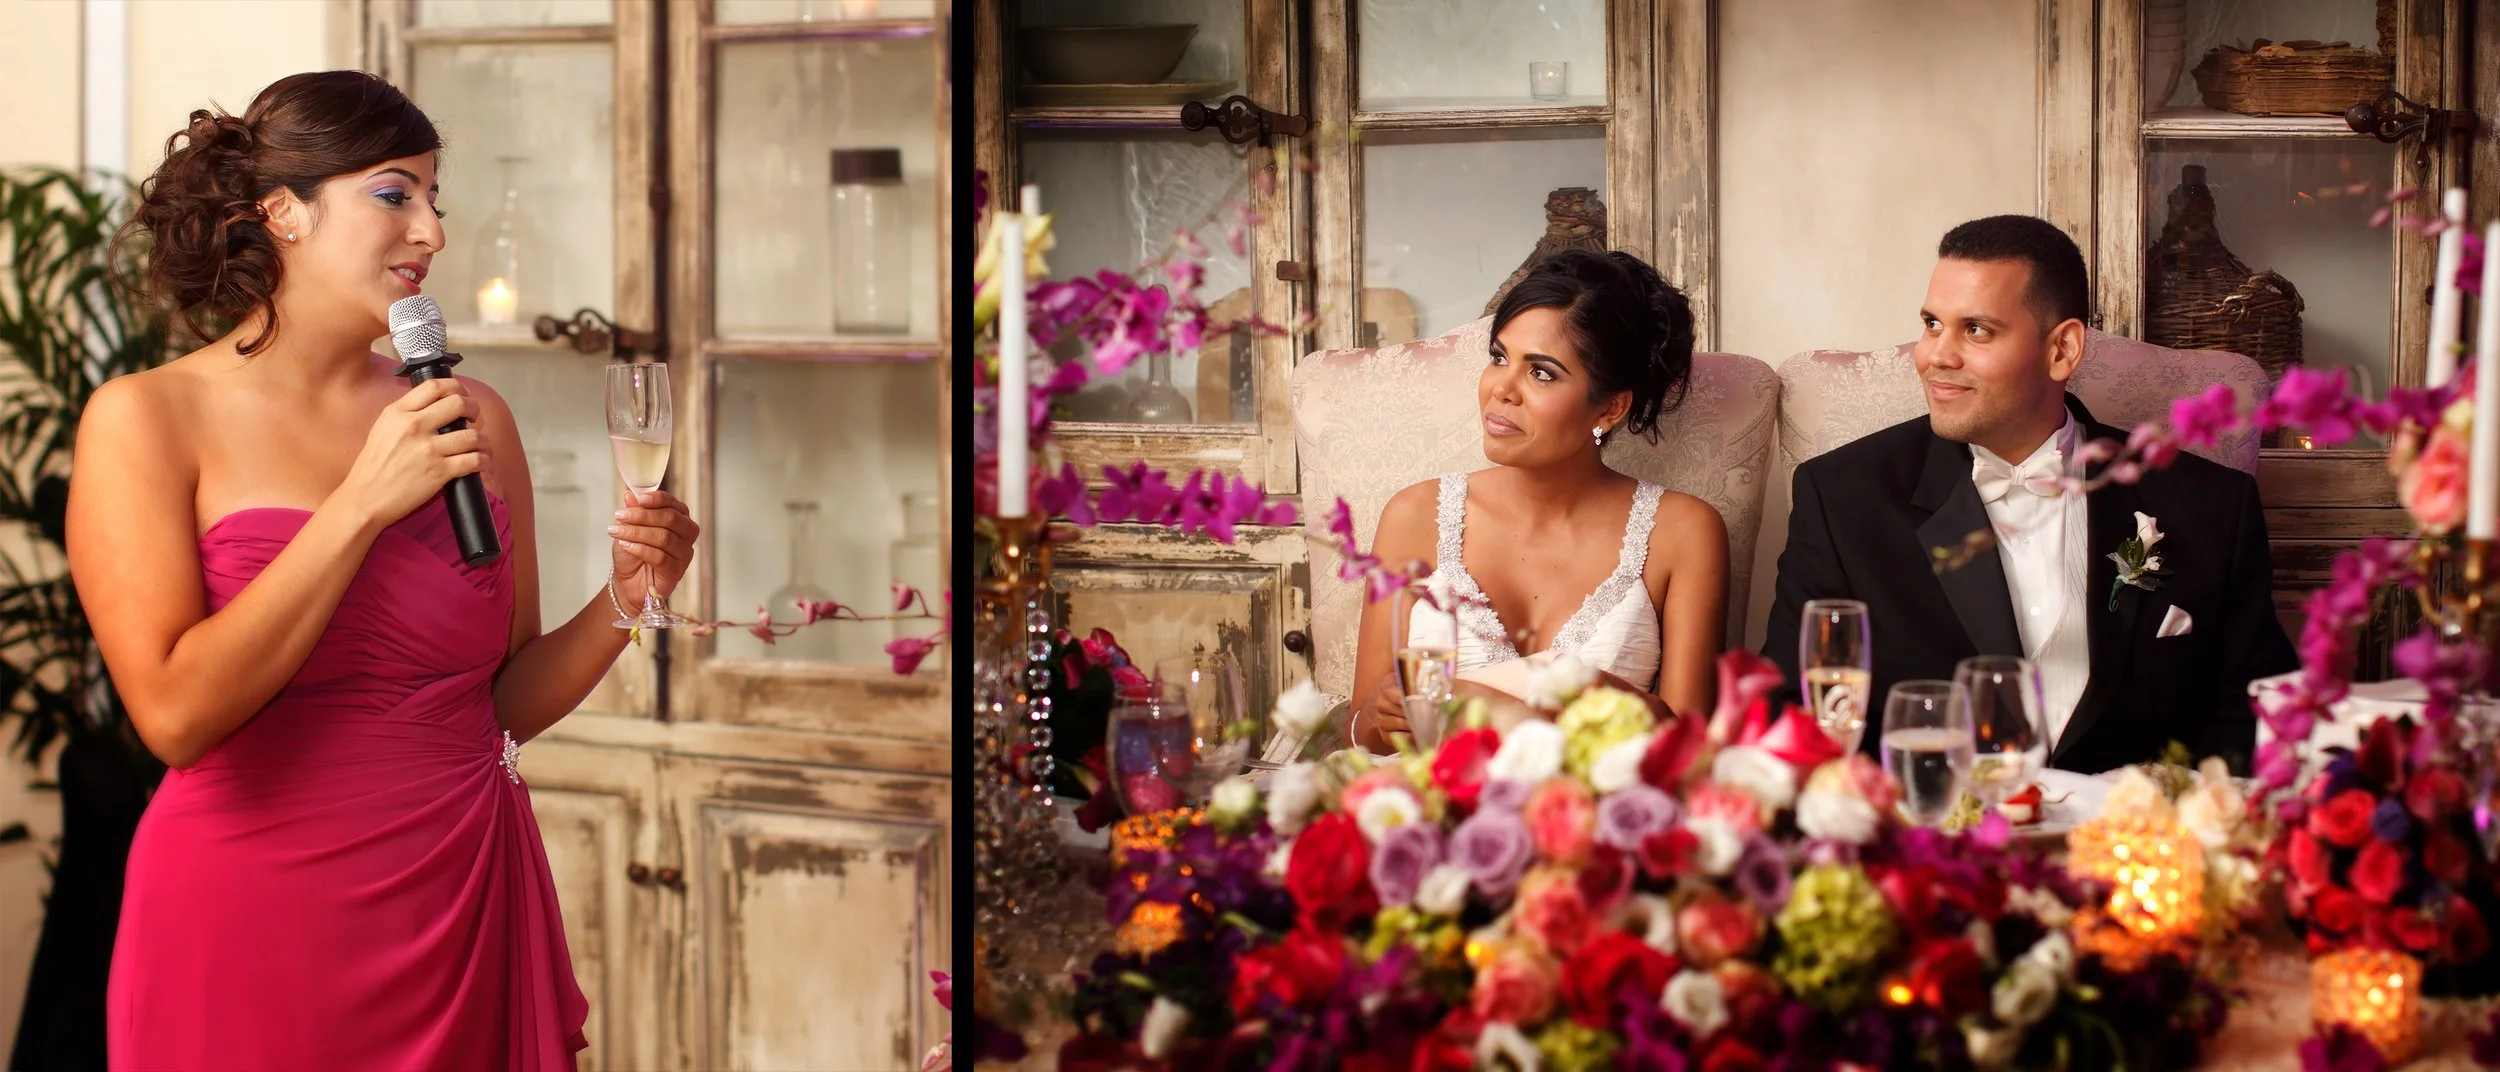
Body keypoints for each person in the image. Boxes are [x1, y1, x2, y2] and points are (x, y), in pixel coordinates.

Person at [64, 71, 698, 1069]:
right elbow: (175, 717)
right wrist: (361, 501)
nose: (433, 232)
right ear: (284, 213)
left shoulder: (471, 414)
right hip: (250, 918)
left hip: (461, 902)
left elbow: (502, 702)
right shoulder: (145, 420)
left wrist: (626, 596)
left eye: (436, 199)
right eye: (395, 194)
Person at [1760, 214, 2296, 773]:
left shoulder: (2208, 504)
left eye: (1976, 330)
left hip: (2133, 847)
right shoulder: (1843, 498)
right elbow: (1792, 721)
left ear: (2061, 349)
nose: (1935, 356)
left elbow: (2254, 721)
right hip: (1935, 842)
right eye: (1932, 323)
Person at [1347, 249, 1727, 753]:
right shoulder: (1413, 516)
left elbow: (1694, 752)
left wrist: (1604, 694)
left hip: (1599, 819)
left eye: (1541, 373)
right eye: (1499, 358)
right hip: (1427, 810)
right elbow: (1363, 731)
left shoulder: (1682, 532)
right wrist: (1375, 716)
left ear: (1611, 408)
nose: (1500, 389)